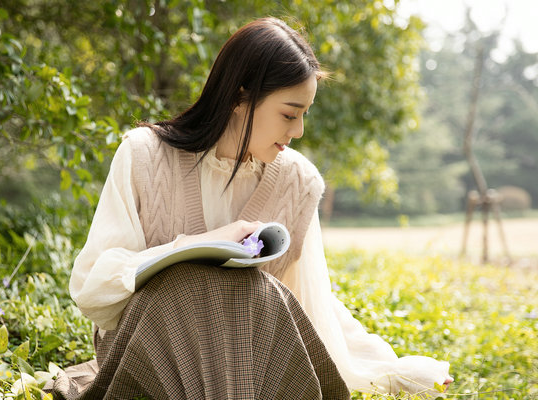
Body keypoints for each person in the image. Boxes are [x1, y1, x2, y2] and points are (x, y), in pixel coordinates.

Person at [55, 17, 452, 399]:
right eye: (289, 114)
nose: (297, 132)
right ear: (240, 96)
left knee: (257, 292)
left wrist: (386, 368)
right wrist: (194, 245)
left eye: (303, 116)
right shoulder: (144, 155)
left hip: (248, 351)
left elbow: (308, 302)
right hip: (159, 345)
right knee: (187, 287)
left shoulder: (299, 181)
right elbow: (94, 287)